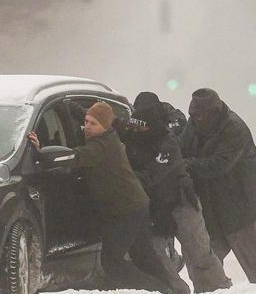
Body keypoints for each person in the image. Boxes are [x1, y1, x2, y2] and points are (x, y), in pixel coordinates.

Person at [28, 101, 175, 292]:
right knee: (144, 256)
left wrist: (40, 153)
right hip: (135, 205)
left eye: (93, 123)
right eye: (86, 122)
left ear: (105, 126)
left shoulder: (101, 146)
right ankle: (171, 290)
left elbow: (72, 157)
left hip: (126, 210)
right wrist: (68, 105)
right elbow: (87, 117)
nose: (87, 126)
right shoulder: (105, 136)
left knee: (112, 261)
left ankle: (156, 290)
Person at [180, 88, 256, 294]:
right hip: (211, 212)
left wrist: (184, 164)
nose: (197, 119)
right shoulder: (193, 126)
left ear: (215, 112)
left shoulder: (234, 128)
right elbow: (181, 149)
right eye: (194, 115)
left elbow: (219, 164)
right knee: (202, 267)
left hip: (243, 213)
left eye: (202, 116)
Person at [125, 92, 231, 293]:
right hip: (153, 208)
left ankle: (218, 290)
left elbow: (153, 175)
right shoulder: (132, 135)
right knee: (159, 261)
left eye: (143, 125)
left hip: (181, 202)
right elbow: (111, 126)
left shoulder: (168, 140)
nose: (138, 130)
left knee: (199, 255)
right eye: (135, 125)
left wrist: (125, 178)